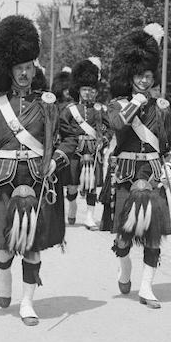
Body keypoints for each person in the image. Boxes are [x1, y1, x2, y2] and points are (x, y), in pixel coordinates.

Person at [0, 16, 77, 326]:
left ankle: (28, 301)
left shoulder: (48, 104)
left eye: (29, 66)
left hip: (37, 181)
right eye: (19, 68)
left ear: (35, 67)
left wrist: (56, 159)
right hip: (3, 181)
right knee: (4, 247)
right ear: (9, 70)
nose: (25, 73)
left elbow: (69, 140)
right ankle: (4, 274)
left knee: (32, 247)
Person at [100, 23, 171, 309]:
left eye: (148, 76)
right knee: (123, 239)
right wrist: (136, 101)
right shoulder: (118, 104)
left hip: (153, 177)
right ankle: (124, 267)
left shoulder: (162, 107)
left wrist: (168, 164)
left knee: (153, 238)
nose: (145, 81)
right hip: (126, 176)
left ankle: (146, 287)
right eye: (139, 76)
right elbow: (118, 124)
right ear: (130, 76)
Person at [59, 56, 109, 230]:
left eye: (91, 90)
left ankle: (89, 217)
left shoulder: (101, 109)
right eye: (85, 89)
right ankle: (72, 205)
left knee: (92, 186)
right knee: (72, 185)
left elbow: (108, 129)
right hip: (75, 151)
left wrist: (105, 140)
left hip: (94, 152)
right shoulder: (69, 110)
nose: (88, 93)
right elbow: (63, 129)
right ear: (78, 90)